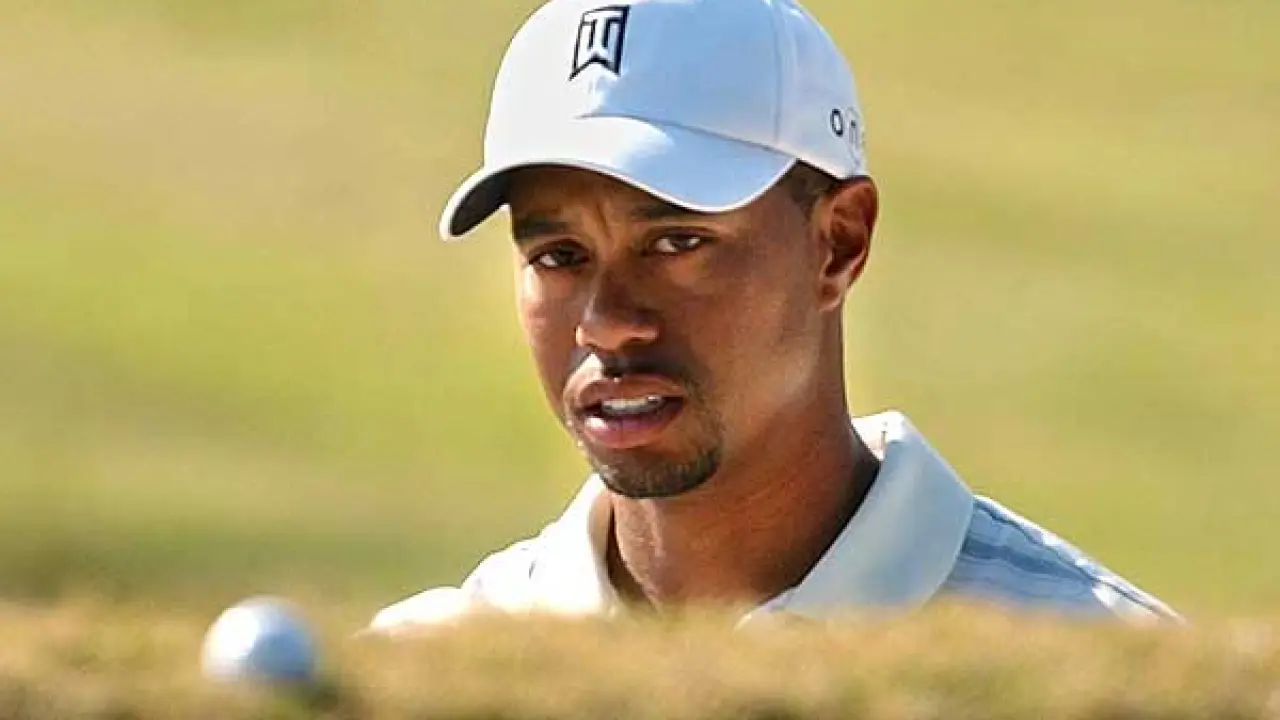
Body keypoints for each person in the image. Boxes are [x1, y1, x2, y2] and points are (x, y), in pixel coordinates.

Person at [372, 0, 1177, 631]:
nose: (607, 323)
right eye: (558, 256)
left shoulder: (1112, 674)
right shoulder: (414, 674)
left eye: (677, 242)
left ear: (838, 243)